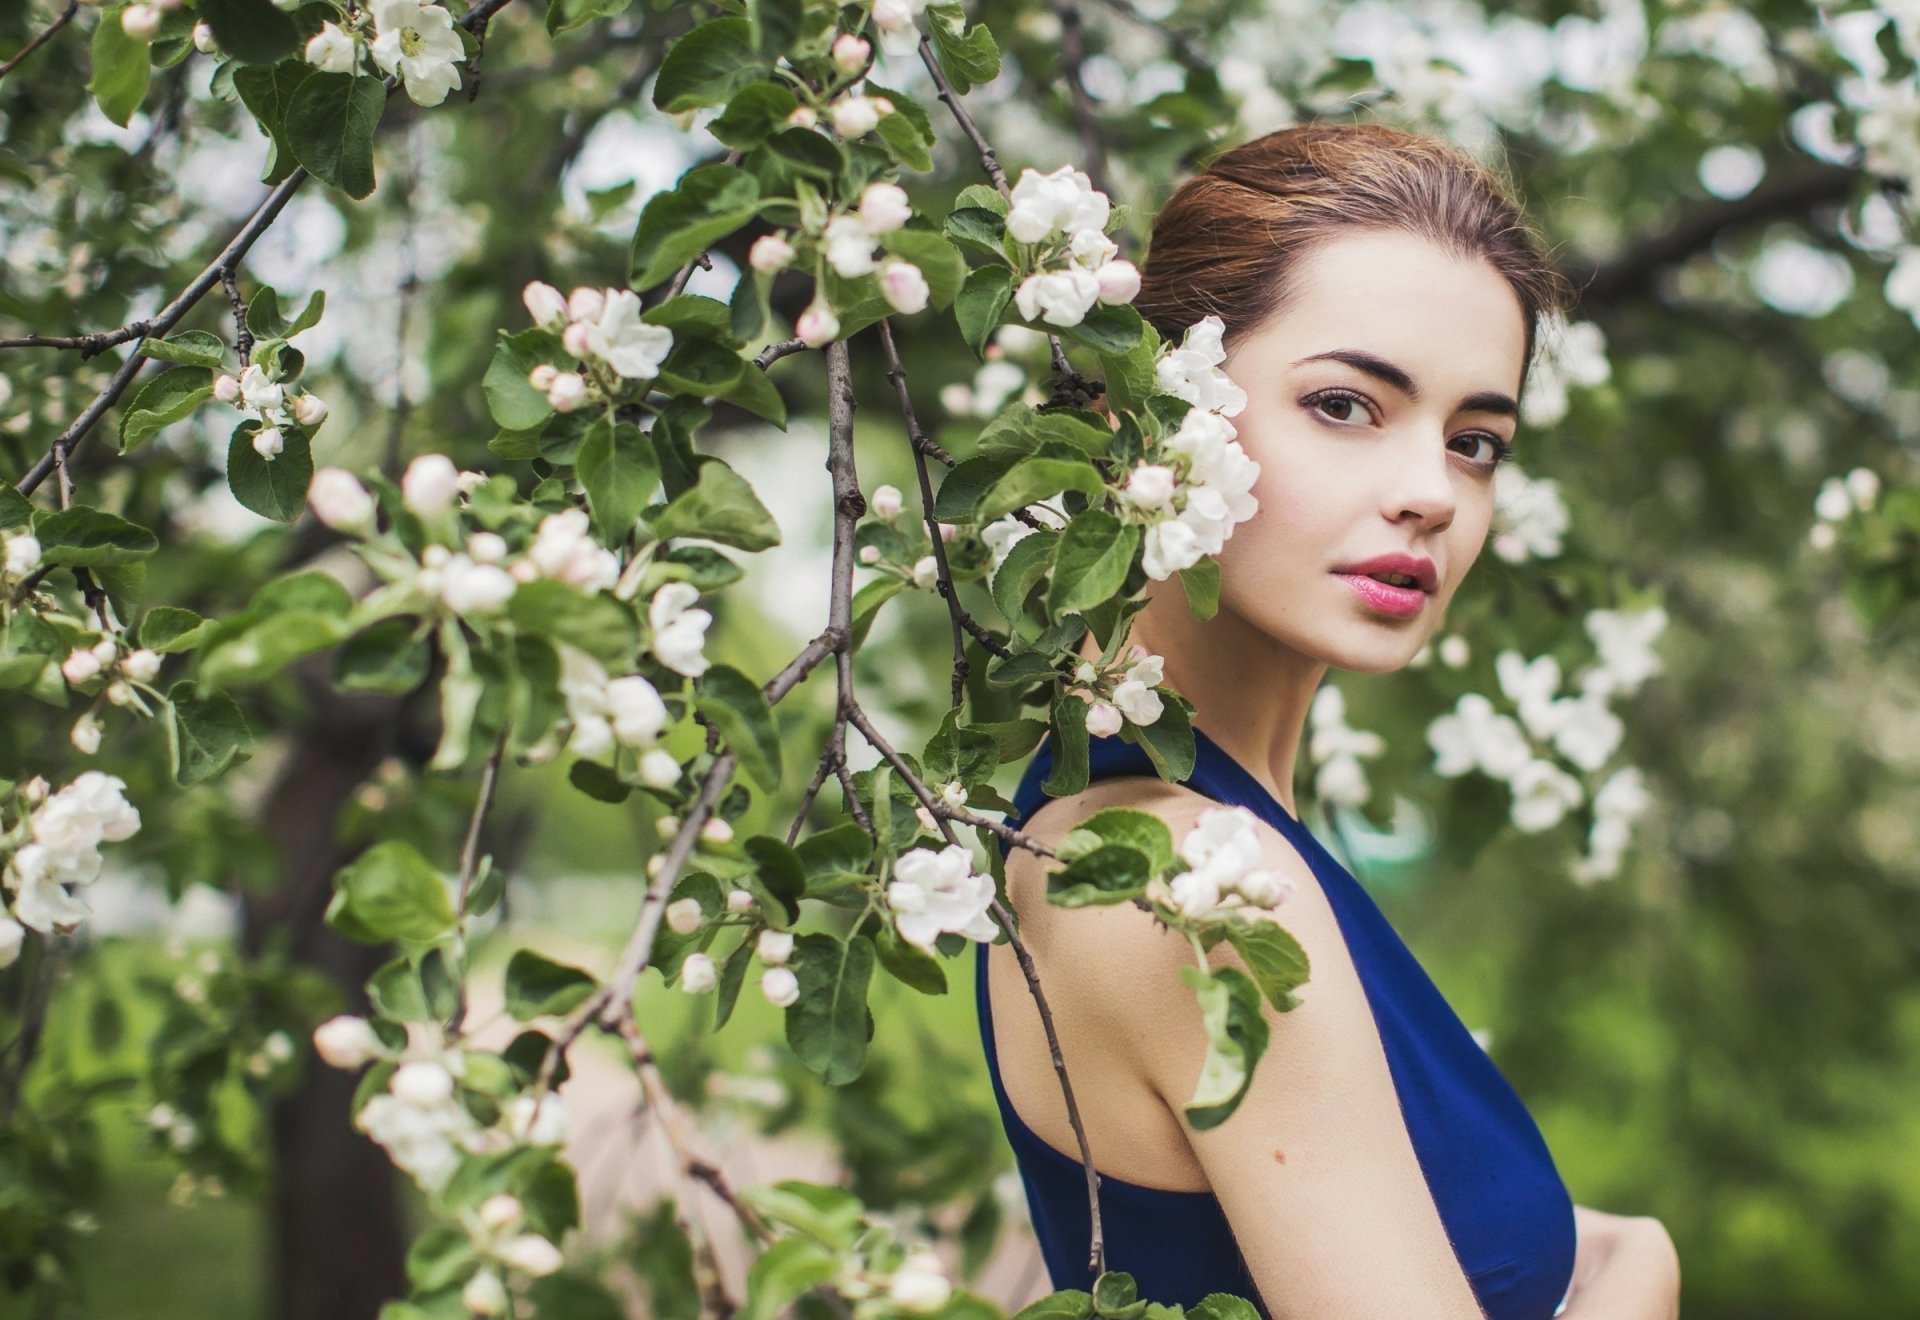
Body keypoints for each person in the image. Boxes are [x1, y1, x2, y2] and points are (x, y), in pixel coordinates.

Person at [976, 123, 1682, 1319]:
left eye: (1475, 443)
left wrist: (1606, 1257)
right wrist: (1646, 1272)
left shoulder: (1211, 830)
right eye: (1348, 405)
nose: (1430, 493)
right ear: (1144, 410)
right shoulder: (1190, 881)